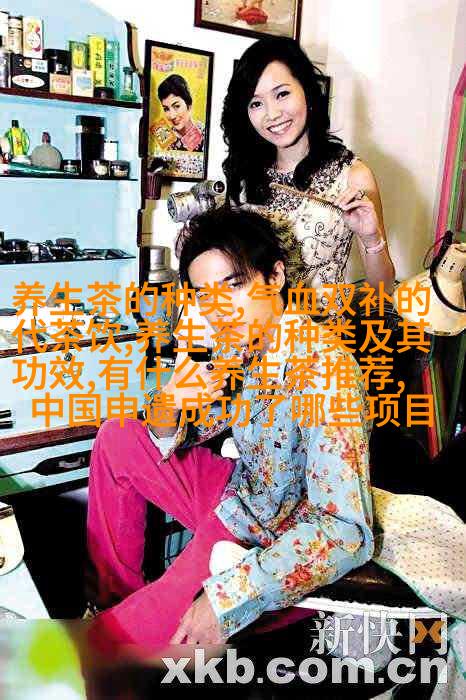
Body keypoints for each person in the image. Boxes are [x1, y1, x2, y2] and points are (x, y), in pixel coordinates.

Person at [84, 206, 374, 656]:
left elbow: (344, 531)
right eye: (204, 295)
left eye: (233, 285)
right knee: (118, 437)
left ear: (275, 277)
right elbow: (196, 427)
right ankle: (118, 602)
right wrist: (169, 402)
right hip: (242, 490)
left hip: (275, 536)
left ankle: (132, 628)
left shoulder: (325, 371)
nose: (218, 310)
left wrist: (227, 597)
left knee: (104, 650)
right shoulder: (241, 342)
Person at [221, 37, 396, 316]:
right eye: (256, 103)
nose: (272, 114)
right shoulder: (244, 175)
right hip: (251, 334)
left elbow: (382, 291)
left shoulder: (353, 176)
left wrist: (371, 238)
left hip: (318, 339)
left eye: (282, 94)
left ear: (307, 91)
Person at [156, 74, 204, 152]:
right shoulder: (163, 135)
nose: (172, 116)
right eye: (166, 109)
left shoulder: (205, 132)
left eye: (177, 106)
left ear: (189, 105)